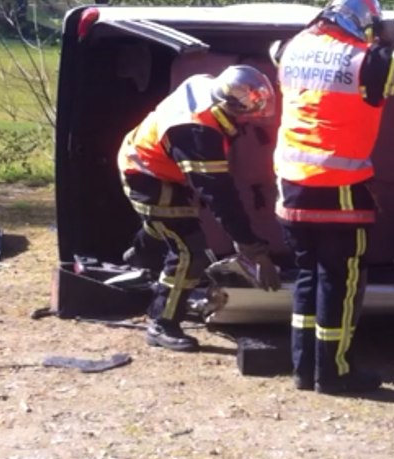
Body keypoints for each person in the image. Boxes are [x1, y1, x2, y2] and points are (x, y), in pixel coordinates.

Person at [274, 0, 394, 395]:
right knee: (340, 285)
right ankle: (334, 373)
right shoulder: (365, 59)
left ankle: (303, 367)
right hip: (340, 191)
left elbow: (281, 48)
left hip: (292, 190)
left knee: (307, 280)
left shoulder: (293, 48)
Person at [118, 65, 282, 352]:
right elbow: (220, 197)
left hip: (150, 158)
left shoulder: (207, 85)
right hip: (146, 173)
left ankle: (141, 254)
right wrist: (253, 250)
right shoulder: (197, 133)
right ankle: (162, 322)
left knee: (164, 226)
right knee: (189, 253)